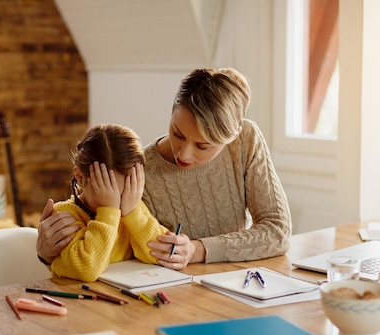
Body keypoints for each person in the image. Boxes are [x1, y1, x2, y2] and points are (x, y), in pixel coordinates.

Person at [37, 67, 291, 270]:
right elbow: (110, 237)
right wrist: (46, 253)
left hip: (240, 279)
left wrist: (197, 250)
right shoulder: (139, 172)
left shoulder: (247, 140)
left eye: (203, 146)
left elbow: (277, 232)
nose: (184, 153)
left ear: (233, 136)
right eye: (177, 134)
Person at [47, 124, 170, 282]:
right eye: (105, 190)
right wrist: (108, 211)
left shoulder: (131, 208)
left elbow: (162, 255)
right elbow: (87, 269)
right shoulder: (64, 215)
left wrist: (133, 214)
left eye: (125, 191)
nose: (117, 202)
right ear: (80, 176)